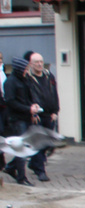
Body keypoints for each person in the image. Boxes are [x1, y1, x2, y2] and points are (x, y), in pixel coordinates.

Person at [24, 51, 60, 182]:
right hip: (37, 116)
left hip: (50, 115)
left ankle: (33, 163)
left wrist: (56, 111)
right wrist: (32, 112)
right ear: (31, 64)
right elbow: (26, 97)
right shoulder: (27, 78)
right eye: (36, 62)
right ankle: (40, 171)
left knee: (47, 142)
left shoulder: (48, 76)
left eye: (41, 61)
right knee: (38, 143)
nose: (39, 64)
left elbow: (54, 94)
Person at [2, 57, 37, 185]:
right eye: (25, 69)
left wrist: (34, 108)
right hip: (17, 120)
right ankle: (22, 178)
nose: (27, 71)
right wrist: (28, 109)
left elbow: (29, 96)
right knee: (21, 148)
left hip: (27, 117)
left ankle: (11, 168)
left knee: (26, 147)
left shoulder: (25, 80)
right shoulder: (10, 82)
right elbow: (11, 101)